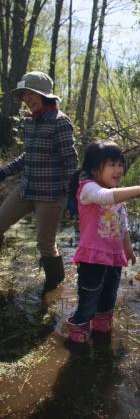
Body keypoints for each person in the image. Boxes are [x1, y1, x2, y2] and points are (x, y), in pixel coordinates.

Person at [67, 140, 140, 344]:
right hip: (93, 257)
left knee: (109, 295)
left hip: (114, 258)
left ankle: (102, 328)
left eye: (120, 164)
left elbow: (123, 226)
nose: (118, 169)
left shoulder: (117, 195)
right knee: (89, 298)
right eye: (112, 164)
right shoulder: (88, 188)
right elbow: (104, 197)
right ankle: (78, 334)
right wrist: (138, 190)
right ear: (94, 168)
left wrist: (129, 249)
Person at [0, 71, 78, 293]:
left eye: (31, 93)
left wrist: (71, 196)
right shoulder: (30, 122)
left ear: (44, 95)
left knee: (45, 244)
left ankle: (54, 288)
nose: (27, 98)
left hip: (51, 194)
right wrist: (5, 171)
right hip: (26, 188)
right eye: (24, 94)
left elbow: (70, 162)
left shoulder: (60, 122)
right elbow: (28, 156)